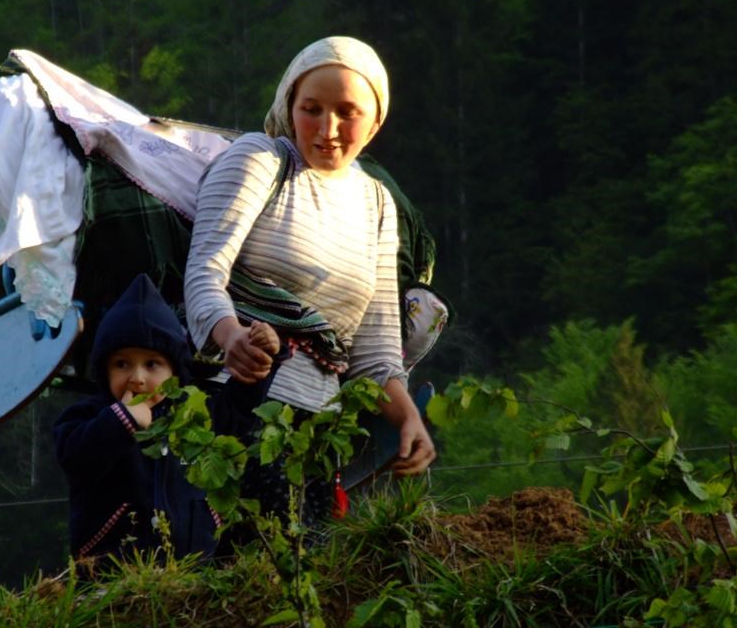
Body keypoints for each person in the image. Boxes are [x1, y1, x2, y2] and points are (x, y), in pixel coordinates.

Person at [184, 35, 445, 526]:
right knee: (243, 566)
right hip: (236, 406)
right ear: (290, 106)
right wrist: (230, 334)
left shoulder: (377, 204)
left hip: (319, 430)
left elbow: (374, 349)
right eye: (312, 109)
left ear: (375, 121)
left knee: (308, 573)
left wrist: (409, 417)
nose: (328, 129)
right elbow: (204, 273)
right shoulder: (259, 159)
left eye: (348, 112)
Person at [52, 272, 271, 569]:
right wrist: (120, 422)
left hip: (195, 573)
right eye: (121, 364)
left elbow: (238, 414)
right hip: (109, 576)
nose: (137, 378)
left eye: (152, 364)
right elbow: (74, 455)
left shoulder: (193, 416)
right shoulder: (89, 416)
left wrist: (260, 354)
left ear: (175, 373)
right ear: (104, 371)